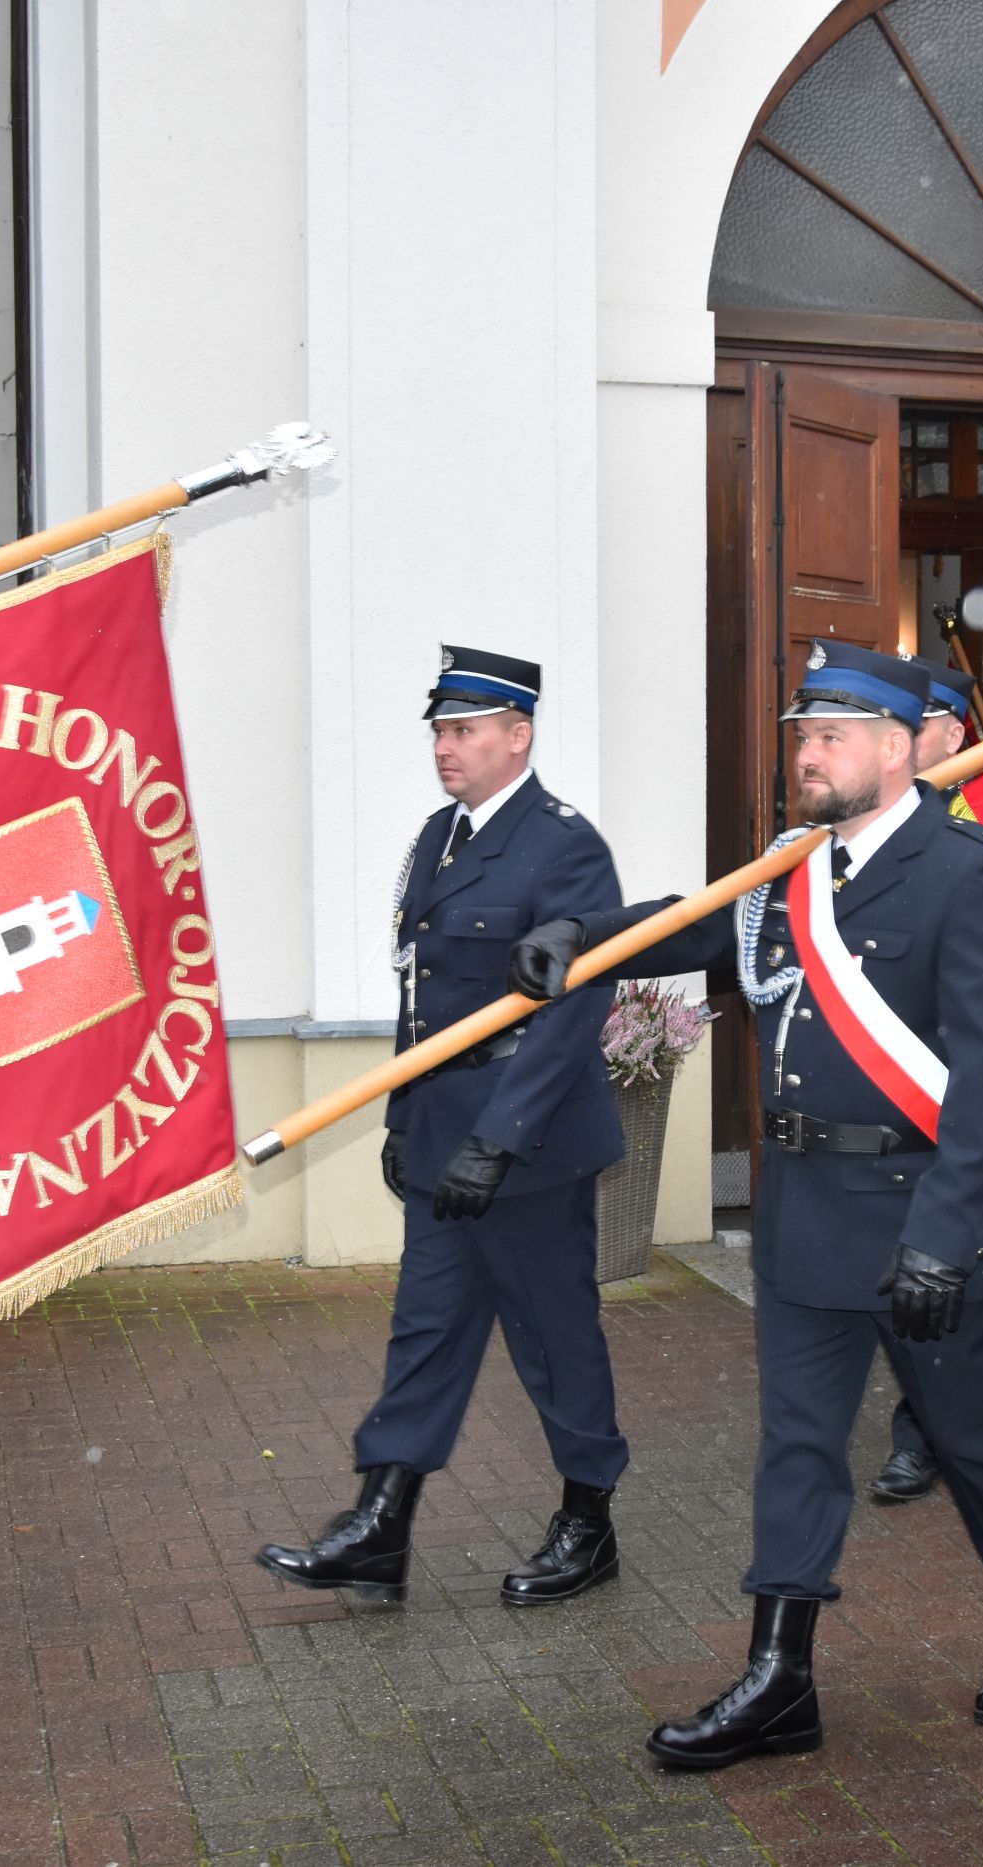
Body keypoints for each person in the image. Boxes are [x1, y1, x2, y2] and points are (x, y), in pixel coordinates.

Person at [508, 643, 983, 1767]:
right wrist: (588, 938)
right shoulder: (794, 873)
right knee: (798, 1445)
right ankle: (780, 1675)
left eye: (831, 736)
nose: (806, 755)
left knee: (974, 1438)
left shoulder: (978, 872)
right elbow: (698, 922)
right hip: (808, 1207)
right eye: (802, 735)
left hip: (927, 1214)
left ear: (901, 747)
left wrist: (947, 1239)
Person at [257, 647, 632, 1607]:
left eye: (464, 731)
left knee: (554, 1335)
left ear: (520, 734)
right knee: (425, 1332)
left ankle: (588, 1523)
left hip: (529, 1146)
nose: (445, 748)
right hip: (442, 1135)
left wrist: (496, 1139)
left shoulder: (565, 846)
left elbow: (572, 1012)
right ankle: (381, 1525)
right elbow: (418, 995)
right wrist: (403, 1114)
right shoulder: (439, 836)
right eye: (439, 731)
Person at [871, 657, 977, 1506]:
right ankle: (922, 1435)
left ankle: (959, 1427)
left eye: (926, 719)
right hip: (904, 1091)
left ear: (950, 733)